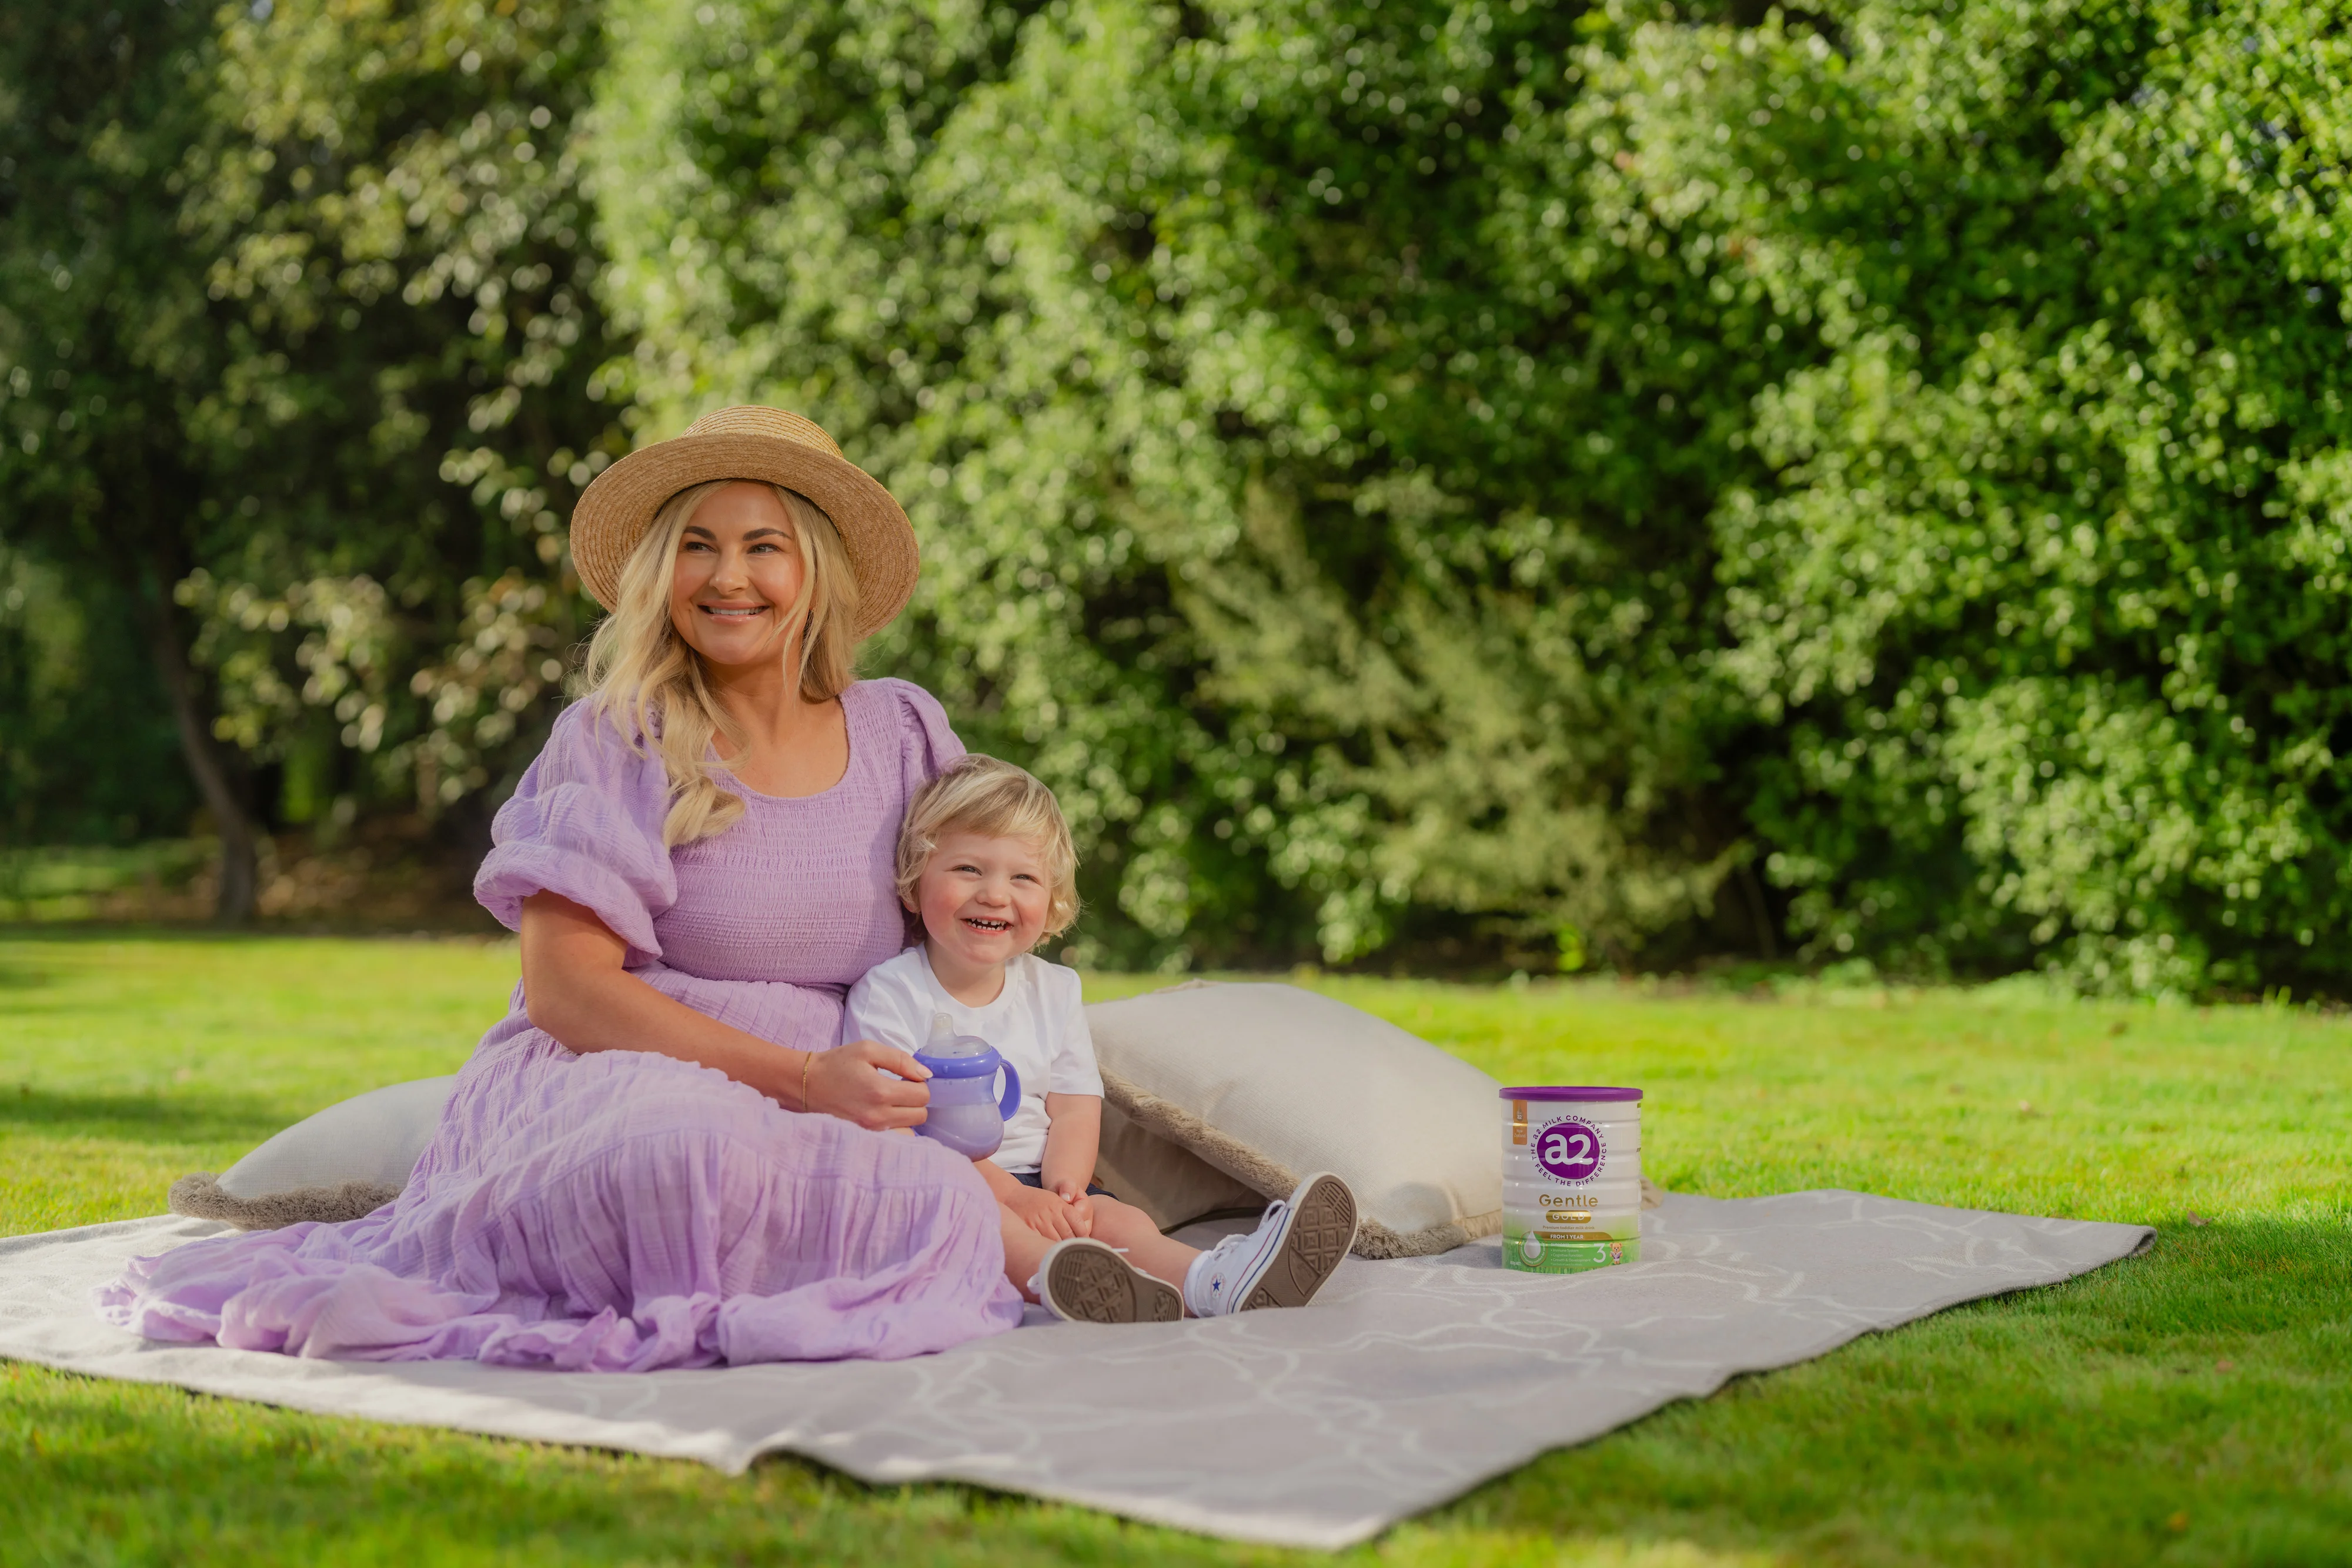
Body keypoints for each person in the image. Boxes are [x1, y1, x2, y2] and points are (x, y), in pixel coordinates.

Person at [99, 407, 1031, 1368]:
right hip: (620, 1078)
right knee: (680, 1149)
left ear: (820, 569)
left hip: (846, 1092)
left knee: (936, 1188)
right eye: (696, 546)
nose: (728, 576)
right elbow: (567, 991)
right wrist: (800, 1078)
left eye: (766, 546)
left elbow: (973, 926)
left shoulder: (904, 731)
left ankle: (1069, 1258)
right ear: (659, 572)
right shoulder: (619, 737)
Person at [843, 754, 1359, 1323]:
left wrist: (1067, 1192)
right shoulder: (890, 994)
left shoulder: (1054, 990)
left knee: (1121, 1221)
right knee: (984, 1217)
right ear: (916, 885)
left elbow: (1075, 1107)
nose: (994, 893)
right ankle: (1065, 1276)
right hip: (943, 1178)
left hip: (1044, 1177)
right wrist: (1014, 1198)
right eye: (968, 868)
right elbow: (899, 1129)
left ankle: (1213, 1278)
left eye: (1023, 877)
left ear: (1052, 901)